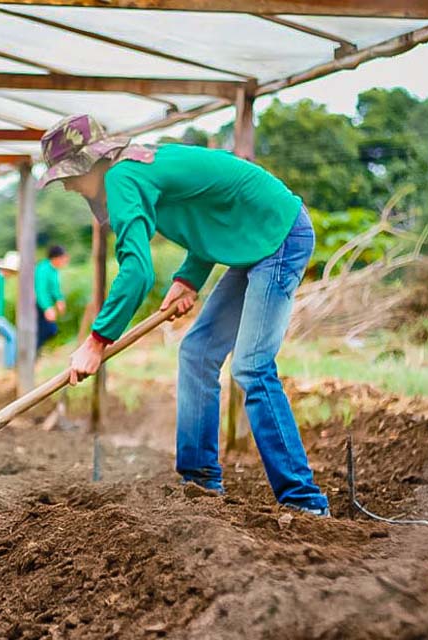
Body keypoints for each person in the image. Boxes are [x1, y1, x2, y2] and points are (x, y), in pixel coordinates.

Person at [37, 114, 329, 517]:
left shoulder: (122, 179)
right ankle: (199, 482)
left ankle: (304, 501)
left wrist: (96, 341)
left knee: (251, 368)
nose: (67, 186)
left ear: (89, 163)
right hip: (251, 237)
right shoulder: (137, 166)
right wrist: (188, 278)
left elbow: (138, 271)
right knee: (197, 351)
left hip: (278, 236)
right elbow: (210, 213)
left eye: (67, 176)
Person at [35, 245, 69, 351]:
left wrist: (59, 299)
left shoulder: (54, 270)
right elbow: (41, 291)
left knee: (48, 331)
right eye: (63, 258)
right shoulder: (43, 269)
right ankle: (32, 355)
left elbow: (55, 288)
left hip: (45, 304)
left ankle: (36, 354)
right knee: (48, 330)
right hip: (37, 304)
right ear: (56, 258)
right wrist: (47, 308)